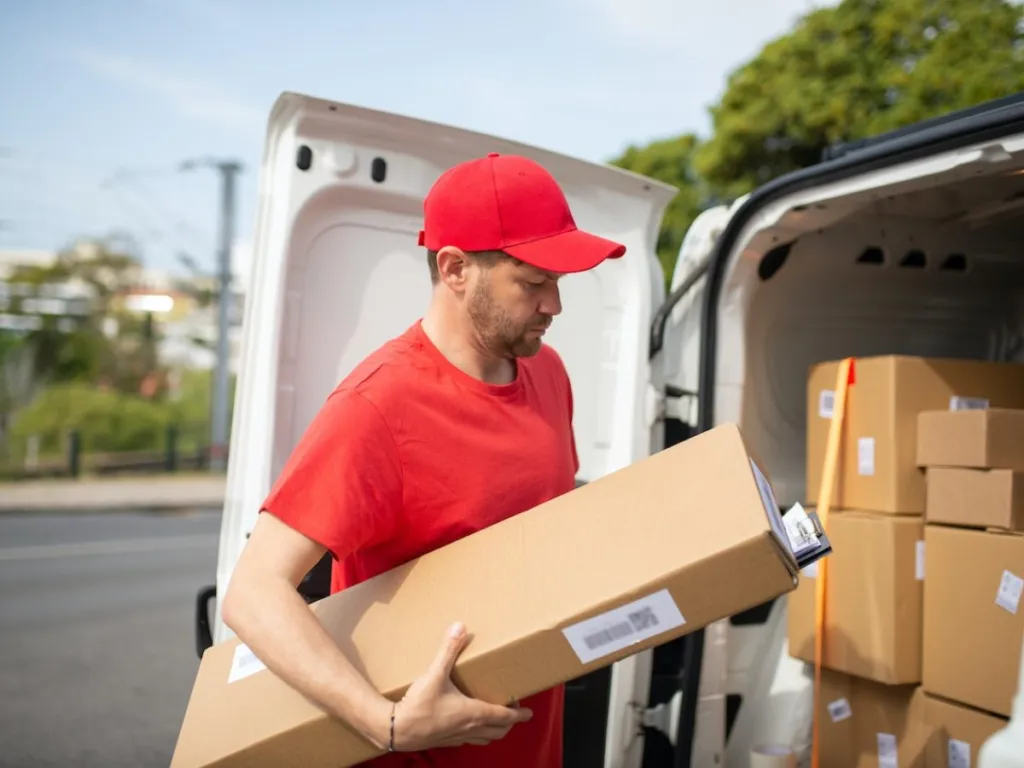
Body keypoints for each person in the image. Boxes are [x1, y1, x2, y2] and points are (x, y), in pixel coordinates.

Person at [221, 151, 628, 767]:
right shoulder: (379, 406)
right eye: (534, 281)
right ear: (457, 268)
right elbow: (252, 592)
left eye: (560, 283)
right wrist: (384, 722)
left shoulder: (549, 374)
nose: (555, 306)